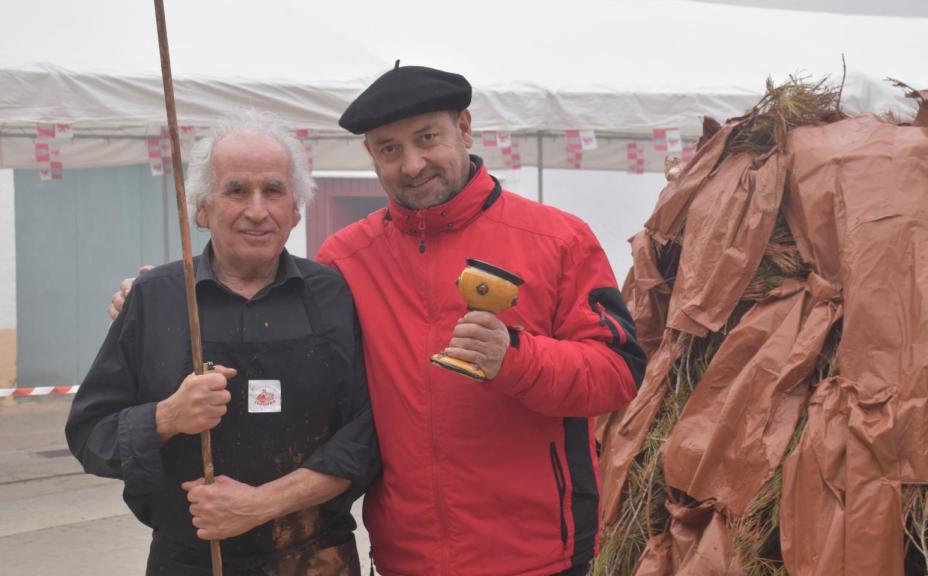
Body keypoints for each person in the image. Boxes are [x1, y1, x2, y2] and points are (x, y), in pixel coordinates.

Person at [110, 65, 647, 576]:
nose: (412, 164)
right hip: (405, 553)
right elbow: (269, 301)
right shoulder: (345, 258)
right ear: (371, 154)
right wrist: (162, 299)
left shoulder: (559, 240)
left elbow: (619, 374)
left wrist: (518, 358)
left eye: (427, 138)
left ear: (464, 128)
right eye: (390, 148)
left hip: (538, 553)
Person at [70, 111, 378, 575]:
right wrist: (165, 418)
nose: (257, 210)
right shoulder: (156, 299)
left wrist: (261, 504)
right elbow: (89, 434)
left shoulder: (334, 295)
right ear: (201, 208)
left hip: (316, 558)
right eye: (236, 190)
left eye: (273, 190)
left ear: (295, 209)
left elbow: (368, 433)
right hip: (192, 560)